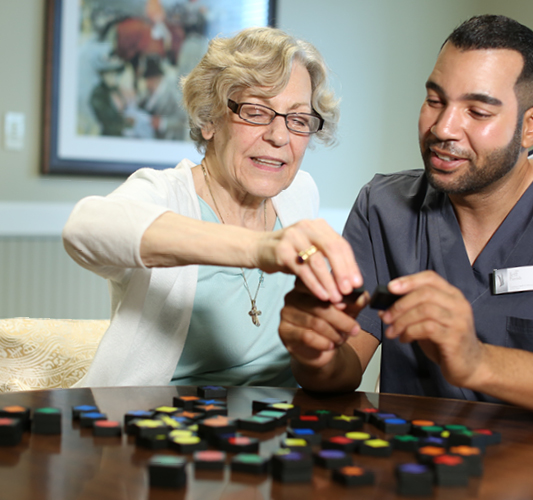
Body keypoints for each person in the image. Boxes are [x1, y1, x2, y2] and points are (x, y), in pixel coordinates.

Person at [278, 15, 533, 425]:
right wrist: (314, 353)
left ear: (530, 126)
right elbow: (343, 366)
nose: (444, 127)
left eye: (478, 112)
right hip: (415, 470)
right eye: (435, 100)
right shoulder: (384, 208)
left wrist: (478, 362)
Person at [63, 27, 362, 388]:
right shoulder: (166, 192)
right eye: (255, 111)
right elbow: (84, 229)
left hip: (281, 428)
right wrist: (257, 248)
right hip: (165, 425)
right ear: (209, 119)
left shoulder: (299, 192)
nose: (279, 137)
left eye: (297, 120)